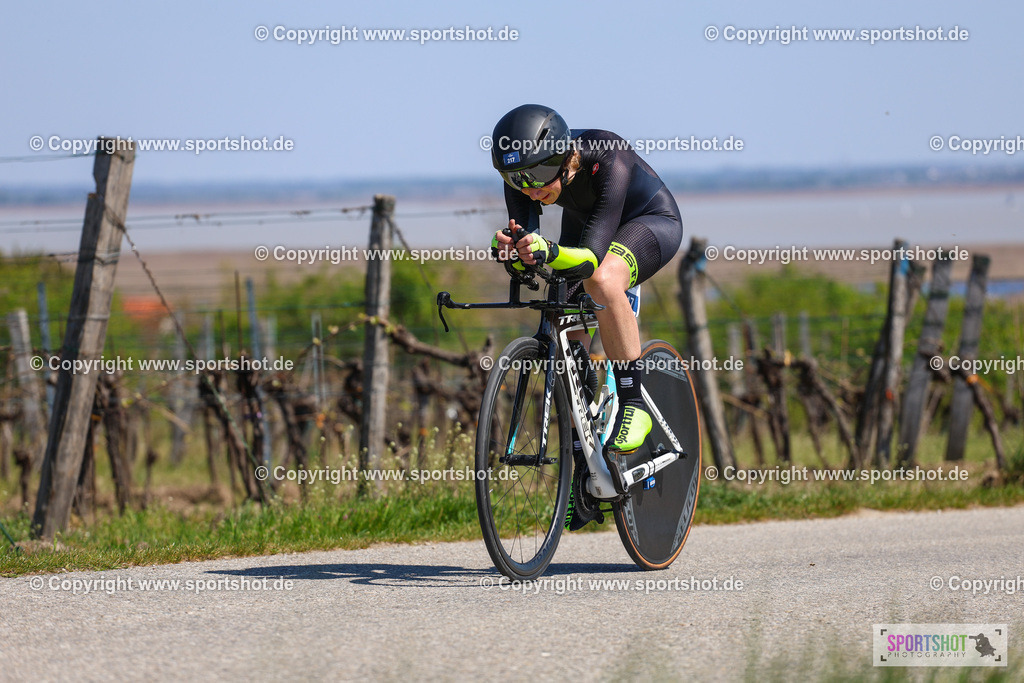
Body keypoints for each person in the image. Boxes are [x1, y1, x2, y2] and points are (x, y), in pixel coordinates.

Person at [489, 104, 683, 520]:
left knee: (603, 281)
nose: (530, 190)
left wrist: (547, 250)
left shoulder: (606, 154)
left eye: (538, 178)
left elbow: (592, 258)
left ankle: (635, 403)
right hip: (588, 224)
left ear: (564, 159)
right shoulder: (524, 175)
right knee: (560, 314)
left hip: (648, 222)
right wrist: (515, 253)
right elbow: (532, 250)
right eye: (517, 180)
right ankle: (584, 463)